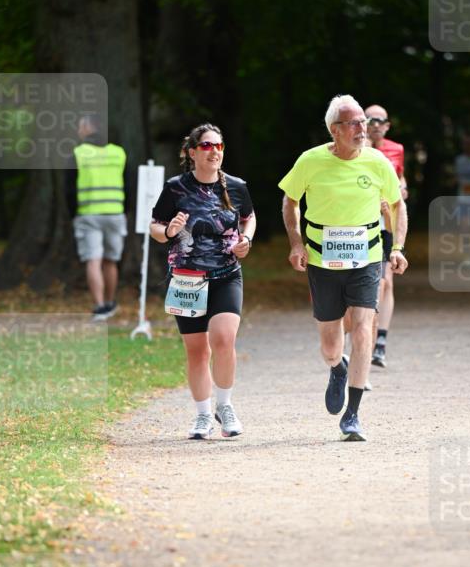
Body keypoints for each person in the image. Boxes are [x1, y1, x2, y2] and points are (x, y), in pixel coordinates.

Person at [279, 94, 408, 442]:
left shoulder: (378, 162)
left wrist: (397, 247)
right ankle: (338, 367)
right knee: (330, 345)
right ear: (334, 130)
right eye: (354, 123)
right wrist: (296, 243)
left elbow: (397, 205)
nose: (362, 129)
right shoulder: (311, 161)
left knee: (364, 326)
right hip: (322, 261)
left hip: (367, 257)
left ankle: (352, 415)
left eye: (363, 122)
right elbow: (290, 201)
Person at [150, 124, 255, 440]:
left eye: (218, 146)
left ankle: (225, 406)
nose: (214, 152)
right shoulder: (176, 188)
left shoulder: (236, 186)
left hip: (226, 274)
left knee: (224, 339)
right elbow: (155, 226)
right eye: (207, 146)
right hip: (187, 280)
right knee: (197, 351)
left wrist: (246, 239)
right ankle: (203, 415)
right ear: (192, 152)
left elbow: (249, 217)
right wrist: (169, 231)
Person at [65, 114, 128, 321]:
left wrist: (73, 213)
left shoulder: (78, 154)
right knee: (111, 261)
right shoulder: (118, 153)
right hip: (115, 213)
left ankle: (100, 307)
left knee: (93, 260)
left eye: (80, 127)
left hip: (88, 214)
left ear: (88, 128)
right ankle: (110, 303)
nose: (78, 131)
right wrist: (124, 209)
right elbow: (129, 183)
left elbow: (69, 189)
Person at [365, 104, 408, 368]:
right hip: (361, 221)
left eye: (380, 120)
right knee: (371, 281)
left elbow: (401, 179)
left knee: (386, 282)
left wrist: (402, 190)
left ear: (387, 125)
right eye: (370, 119)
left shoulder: (397, 149)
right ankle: (362, 336)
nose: (375, 124)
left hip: (387, 221)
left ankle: (380, 341)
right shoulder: (357, 148)